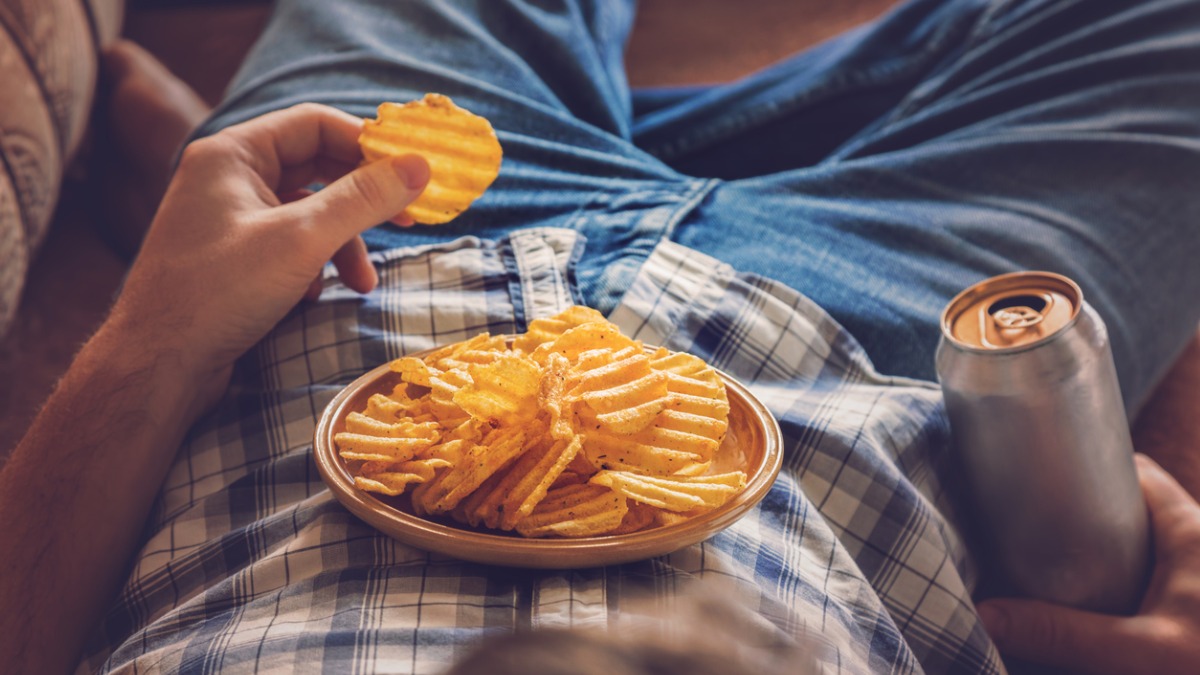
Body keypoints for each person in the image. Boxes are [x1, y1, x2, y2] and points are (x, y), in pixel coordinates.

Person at [2, 0, 1199, 672]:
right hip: (868, 358)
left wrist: (153, 336)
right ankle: (742, 146)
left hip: (338, 282)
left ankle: (193, 169)